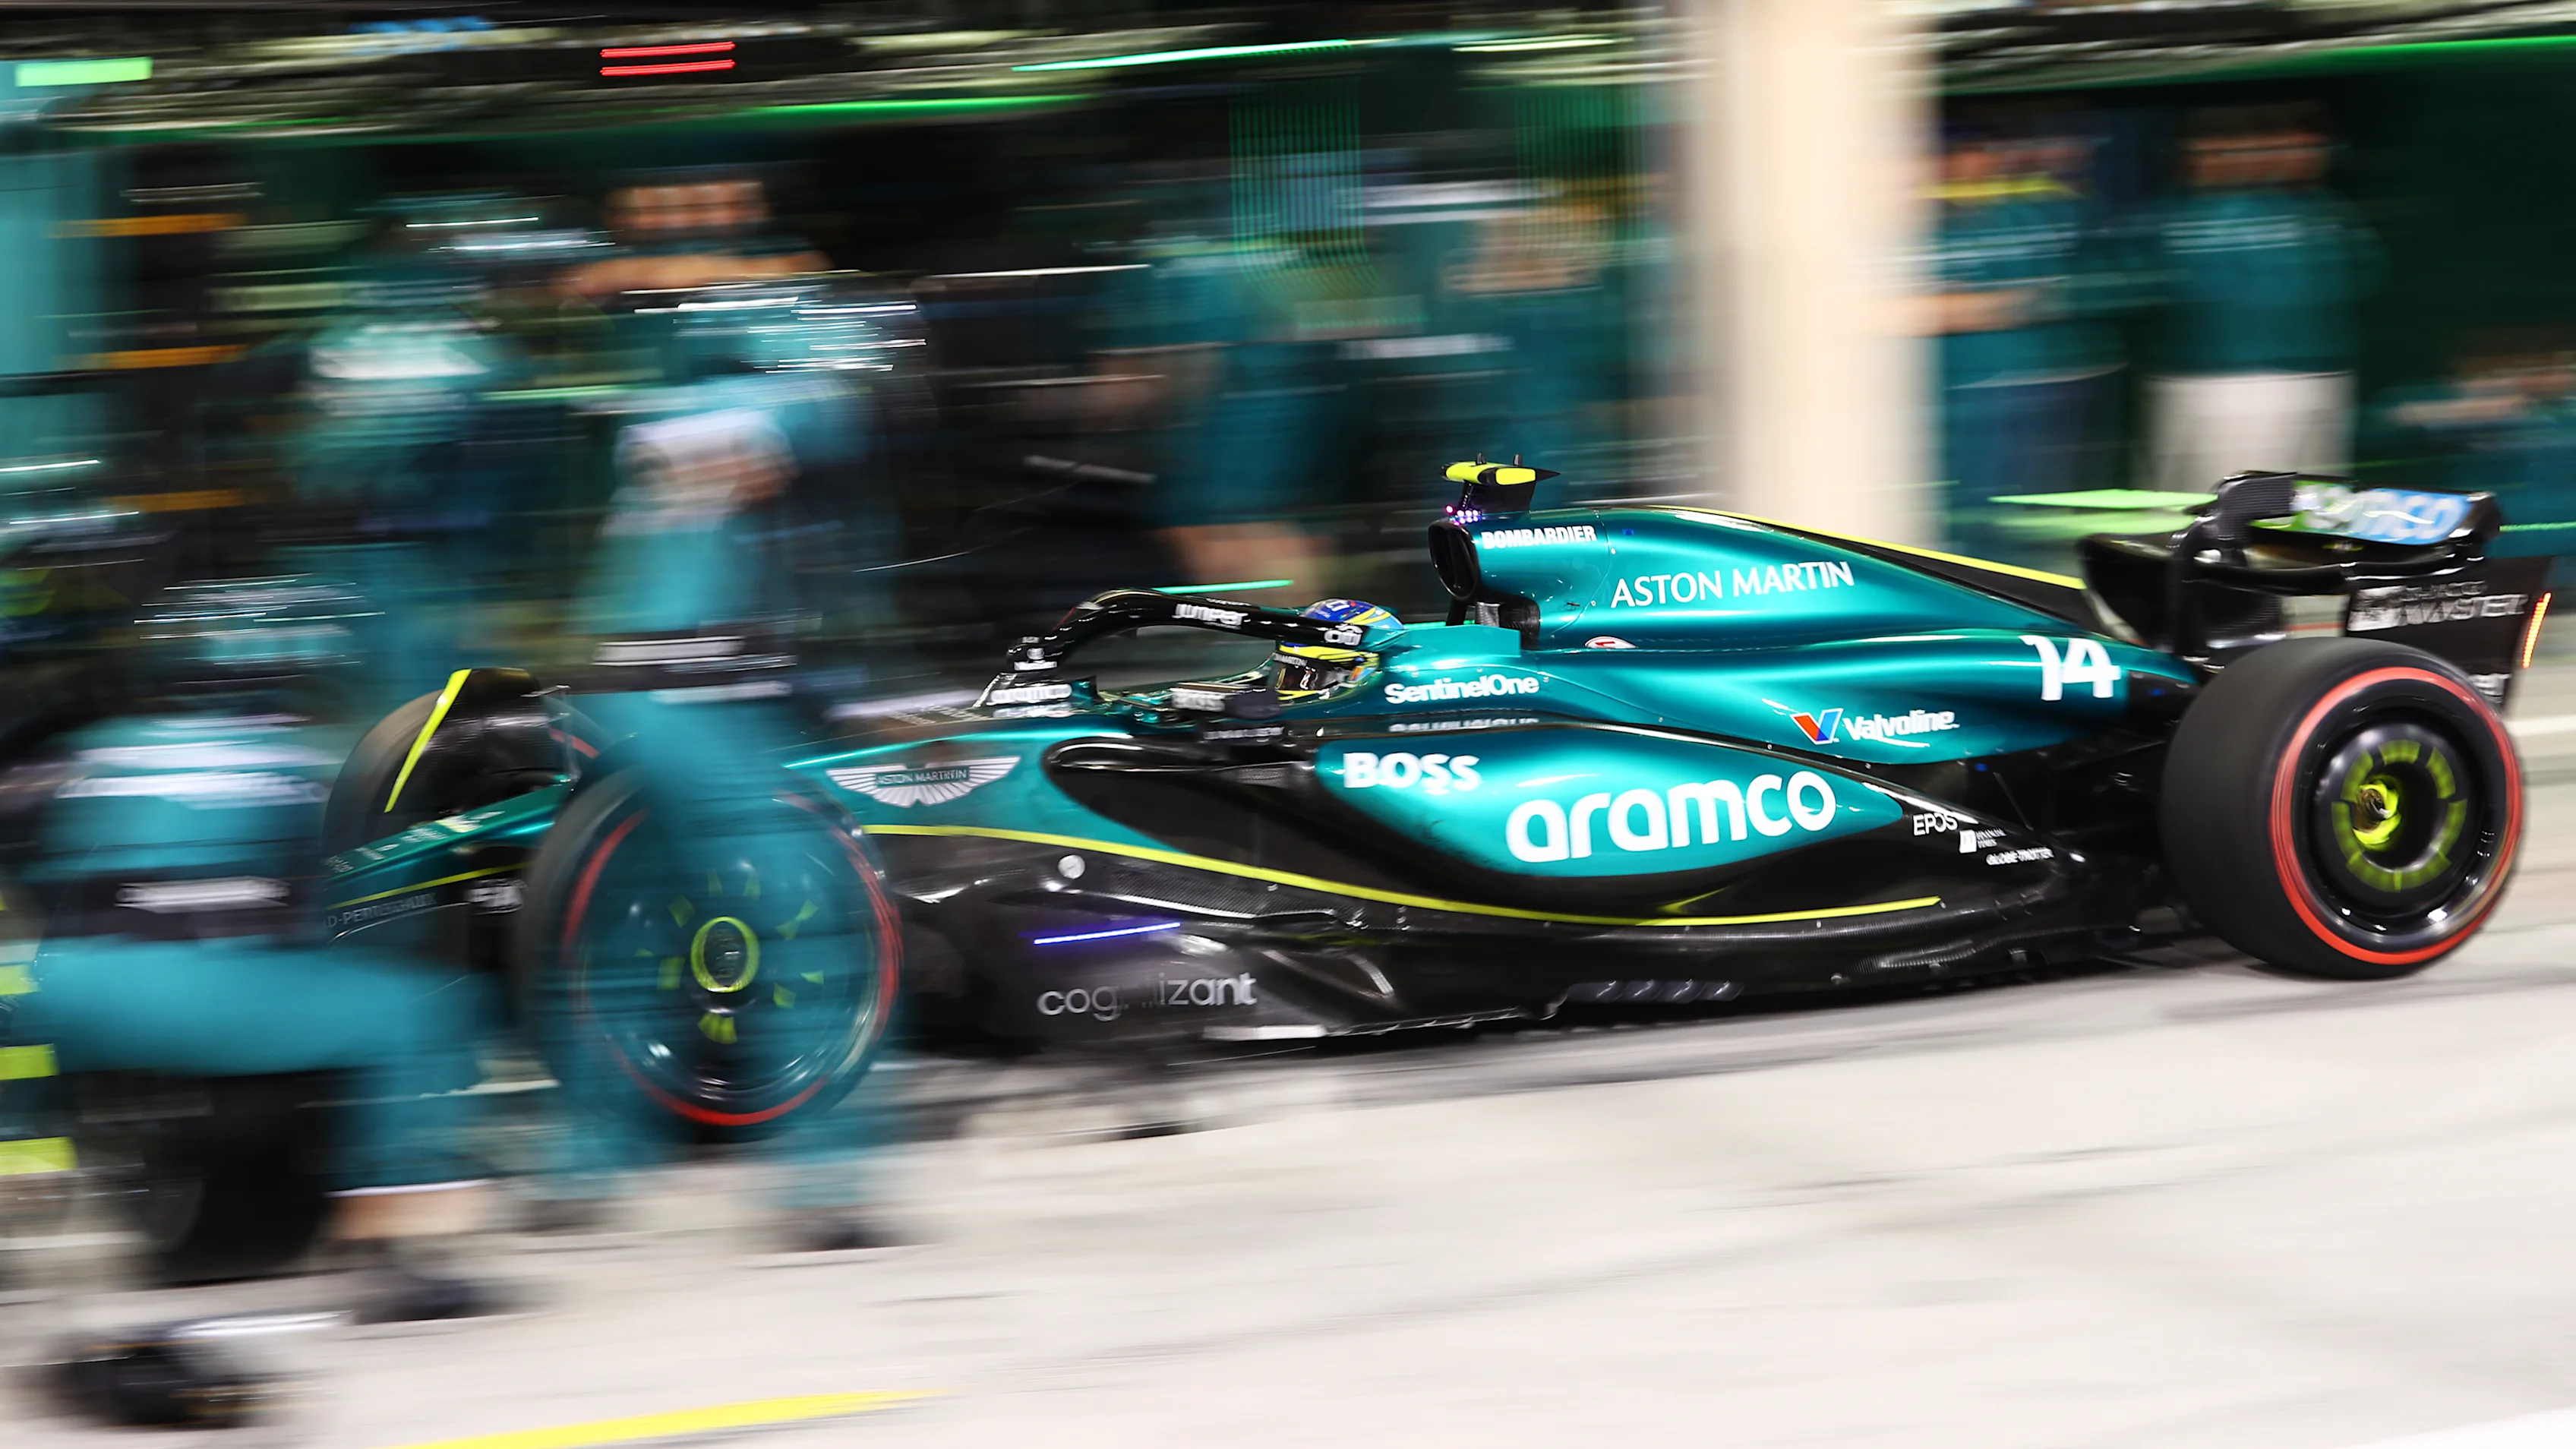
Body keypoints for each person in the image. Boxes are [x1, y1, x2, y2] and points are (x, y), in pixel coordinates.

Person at [2143, 107, 2382, 494]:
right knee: (2243, 511)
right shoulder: (2193, 215)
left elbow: (2364, 275)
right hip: (2229, 386)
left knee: (2293, 512)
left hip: (2289, 382)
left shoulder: (2319, 209)